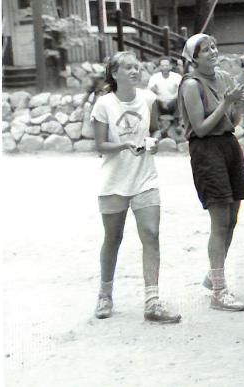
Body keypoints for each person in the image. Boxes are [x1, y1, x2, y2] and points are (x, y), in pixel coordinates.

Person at [91, 51, 181, 324]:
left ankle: (152, 302)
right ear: (115, 73)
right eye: (127, 67)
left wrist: (153, 140)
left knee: (151, 234)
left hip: (145, 178)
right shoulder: (104, 104)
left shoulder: (148, 99)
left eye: (137, 67)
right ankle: (105, 294)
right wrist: (125, 144)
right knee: (113, 238)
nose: (134, 71)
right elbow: (100, 146)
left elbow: (154, 130)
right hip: (114, 181)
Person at [178, 34, 244, 311]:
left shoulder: (223, 76)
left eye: (213, 47)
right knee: (219, 219)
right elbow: (200, 128)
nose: (211, 52)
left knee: (233, 216)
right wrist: (225, 102)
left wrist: (240, 105)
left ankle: (214, 273)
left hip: (228, 144)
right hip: (206, 149)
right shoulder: (191, 84)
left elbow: (230, 121)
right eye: (204, 50)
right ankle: (219, 291)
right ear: (193, 57)